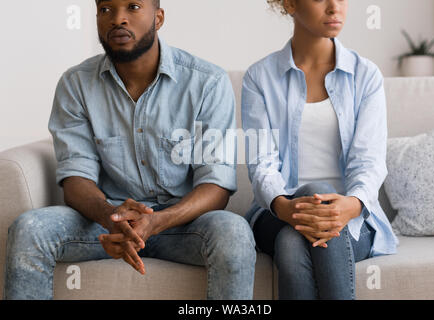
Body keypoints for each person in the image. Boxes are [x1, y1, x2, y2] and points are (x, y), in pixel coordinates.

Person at [3, 0, 256, 300]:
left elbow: (216, 185)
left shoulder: (207, 83)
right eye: (106, 9)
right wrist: (114, 219)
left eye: (133, 7)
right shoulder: (76, 84)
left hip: (182, 225)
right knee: (30, 228)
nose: (117, 19)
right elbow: (75, 179)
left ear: (158, 18)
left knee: (234, 232)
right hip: (107, 221)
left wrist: (157, 221)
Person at [241, 0, 398, 300]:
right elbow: (261, 164)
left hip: (350, 214)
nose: (334, 7)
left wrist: (349, 207)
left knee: (290, 244)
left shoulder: (366, 76)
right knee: (316, 193)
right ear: (289, 4)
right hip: (278, 212)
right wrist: (288, 208)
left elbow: (370, 161)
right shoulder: (259, 77)